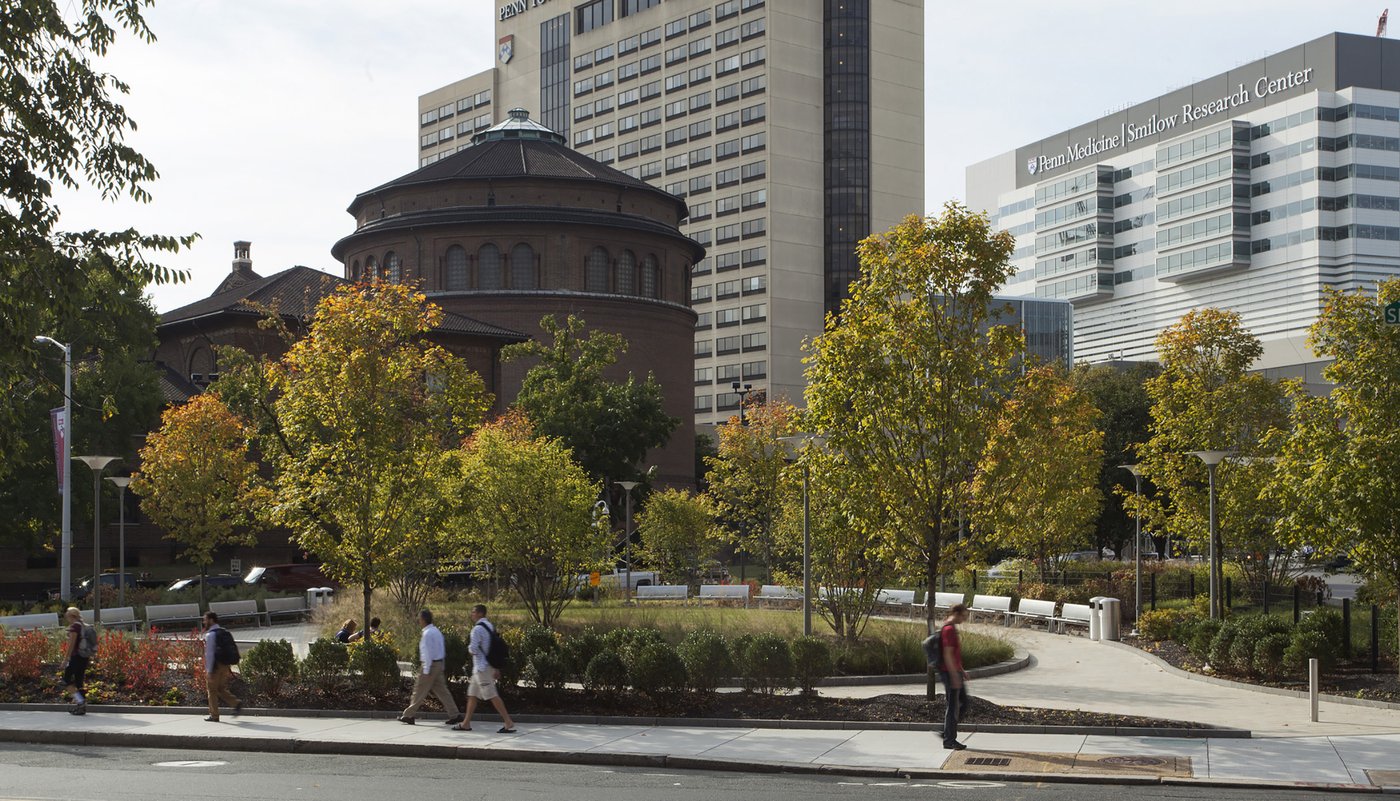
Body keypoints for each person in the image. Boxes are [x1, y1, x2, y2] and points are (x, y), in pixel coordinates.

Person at [455, 604, 515, 733]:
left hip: (482, 668)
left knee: (492, 695)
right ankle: (466, 723)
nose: (472, 614)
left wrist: (469, 649)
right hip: (485, 667)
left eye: (474, 612)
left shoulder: (477, 629)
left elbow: (474, 649)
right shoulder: (490, 626)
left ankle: (508, 721)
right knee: (472, 695)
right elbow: (493, 648)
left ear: (480, 613)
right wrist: (496, 668)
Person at [399, 609, 460, 725]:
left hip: (429, 665)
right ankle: (455, 714)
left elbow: (427, 653)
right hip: (438, 664)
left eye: (419, 619)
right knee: (442, 691)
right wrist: (441, 665)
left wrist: (426, 670)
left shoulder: (427, 634)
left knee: (419, 690)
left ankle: (408, 715)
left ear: (423, 620)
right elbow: (441, 649)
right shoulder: (436, 631)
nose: (418, 621)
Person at [937, 604, 971, 750]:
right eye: (963, 616)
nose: (964, 619)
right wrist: (954, 675)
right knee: (953, 706)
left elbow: (954, 654)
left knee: (963, 703)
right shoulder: (949, 629)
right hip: (950, 673)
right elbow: (948, 654)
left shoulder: (950, 627)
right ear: (956, 613)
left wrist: (961, 670)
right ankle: (949, 740)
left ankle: (947, 732)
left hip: (955, 672)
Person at [202, 611, 241, 722]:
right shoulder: (224, 632)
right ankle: (236, 703)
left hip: (215, 666)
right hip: (225, 665)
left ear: (211, 620)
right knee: (220, 688)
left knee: (212, 690)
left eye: (205, 619)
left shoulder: (211, 635)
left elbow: (209, 654)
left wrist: (209, 671)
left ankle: (214, 715)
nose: (204, 622)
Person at [61, 607, 90, 715]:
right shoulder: (83, 625)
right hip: (84, 657)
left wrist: (65, 659)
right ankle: (81, 706)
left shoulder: (75, 627)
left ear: (71, 616)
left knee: (66, 680)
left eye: (67, 616)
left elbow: (71, 644)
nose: (67, 618)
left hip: (76, 657)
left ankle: (80, 702)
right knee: (79, 681)